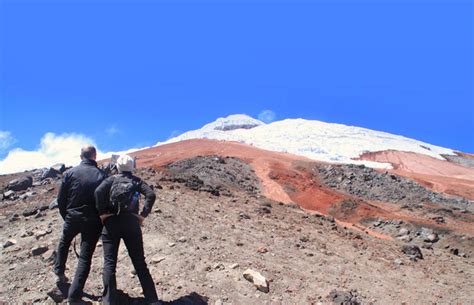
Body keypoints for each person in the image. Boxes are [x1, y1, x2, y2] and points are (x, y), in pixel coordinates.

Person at [95, 155, 161, 305]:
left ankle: (109, 301)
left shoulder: (110, 180)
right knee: (139, 263)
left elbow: (98, 192)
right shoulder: (136, 181)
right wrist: (142, 215)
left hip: (111, 223)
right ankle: (152, 300)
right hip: (131, 223)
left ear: (117, 166)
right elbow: (151, 194)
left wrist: (102, 213)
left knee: (109, 263)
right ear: (132, 167)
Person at [54, 145, 106, 302]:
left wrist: (67, 216)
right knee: (85, 257)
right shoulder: (102, 175)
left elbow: (60, 199)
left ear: (81, 156)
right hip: (93, 221)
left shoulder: (69, 173)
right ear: (94, 156)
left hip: (72, 217)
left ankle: (59, 271)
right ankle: (75, 294)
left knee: (64, 241)